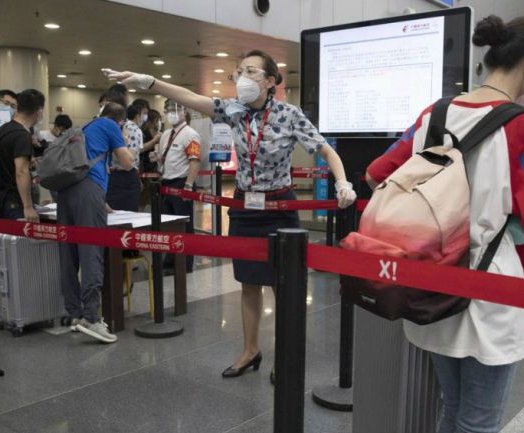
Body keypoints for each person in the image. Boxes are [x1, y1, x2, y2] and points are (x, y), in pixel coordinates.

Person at [366, 14, 524, 433]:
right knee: (480, 421)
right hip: (490, 287)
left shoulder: (434, 113)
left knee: (453, 408)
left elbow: (374, 174)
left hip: (433, 281)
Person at [103, 48, 357, 380]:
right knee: (248, 283)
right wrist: (150, 81)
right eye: (239, 72)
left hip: (280, 208)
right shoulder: (232, 110)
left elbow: (325, 149)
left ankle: (287, 354)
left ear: (269, 81)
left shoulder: (288, 114)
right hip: (244, 208)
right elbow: (192, 98)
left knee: (284, 286)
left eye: (251, 72)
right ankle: (250, 350)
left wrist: (342, 182)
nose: (242, 78)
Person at [58, 102, 132, 343]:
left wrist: (102, 203)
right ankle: (92, 316)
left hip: (66, 191)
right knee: (91, 252)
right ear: (120, 120)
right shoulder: (111, 125)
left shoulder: (86, 126)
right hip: (88, 191)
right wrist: (124, 139)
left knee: (68, 253)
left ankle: (75, 314)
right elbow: (127, 162)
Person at [150, 101, 200, 273]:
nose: (171, 113)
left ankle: (185, 265)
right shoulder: (166, 134)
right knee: (170, 226)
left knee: (185, 226)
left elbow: (194, 161)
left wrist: (188, 185)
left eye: (174, 110)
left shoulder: (190, 134)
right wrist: (157, 157)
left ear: (184, 111)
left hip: (181, 183)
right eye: (168, 110)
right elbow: (166, 156)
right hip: (166, 183)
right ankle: (171, 260)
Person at [0, 89, 43, 222]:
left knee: (1, 241)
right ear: (38, 112)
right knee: (18, 242)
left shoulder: (4, 129)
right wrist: (28, 206)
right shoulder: (22, 135)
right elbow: (21, 171)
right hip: (14, 202)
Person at [106, 104, 143, 212]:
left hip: (114, 175)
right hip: (126, 177)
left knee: (113, 216)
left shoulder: (113, 128)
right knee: (128, 216)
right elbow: (128, 161)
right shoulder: (135, 130)